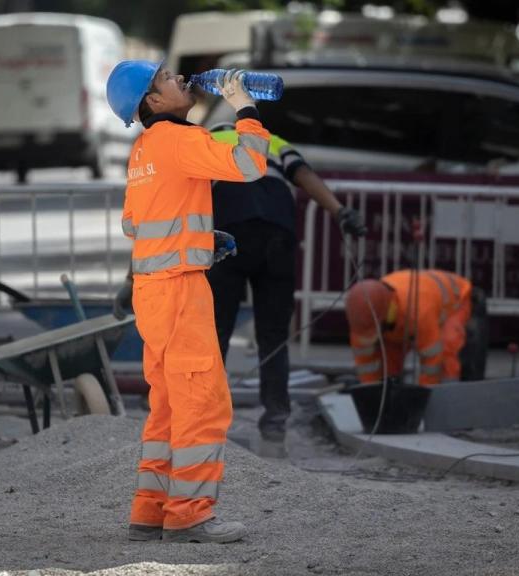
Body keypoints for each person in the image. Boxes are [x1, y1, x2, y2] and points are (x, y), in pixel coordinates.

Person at [105, 60, 269, 544]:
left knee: (169, 407)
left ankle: (150, 510)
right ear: (153, 103)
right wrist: (246, 108)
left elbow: (136, 224)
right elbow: (250, 163)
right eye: (166, 79)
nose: (179, 79)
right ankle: (190, 514)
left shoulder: (142, 151)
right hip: (180, 290)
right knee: (202, 402)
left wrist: (198, 234)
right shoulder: (183, 139)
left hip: (152, 291)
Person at [205, 124, 367, 441]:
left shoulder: (206, 139)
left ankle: (209, 421)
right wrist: (339, 211)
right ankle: (275, 420)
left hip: (228, 233)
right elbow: (304, 175)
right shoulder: (273, 140)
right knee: (274, 336)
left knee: (215, 333)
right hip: (277, 235)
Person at [344, 269, 488, 387]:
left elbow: (432, 361)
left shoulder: (418, 311)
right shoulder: (363, 316)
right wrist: (372, 396)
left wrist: (423, 398)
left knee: (447, 349)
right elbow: (365, 364)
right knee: (388, 351)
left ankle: (451, 399)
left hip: (458, 300)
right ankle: (390, 391)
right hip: (414, 306)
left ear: (389, 313)